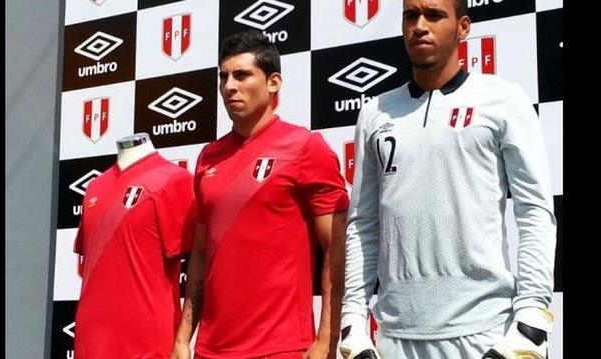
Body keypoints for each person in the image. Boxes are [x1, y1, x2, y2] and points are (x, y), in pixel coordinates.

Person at [339, 0, 557, 358]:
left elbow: (534, 212)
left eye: (435, 15)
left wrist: (532, 318)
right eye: (411, 16)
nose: (420, 26)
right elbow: (363, 224)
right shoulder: (375, 112)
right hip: (395, 337)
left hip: (484, 331)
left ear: (463, 27)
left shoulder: (503, 100)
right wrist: (352, 320)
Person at [172, 30, 349, 359]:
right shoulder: (208, 157)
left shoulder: (306, 148)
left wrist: (327, 338)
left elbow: (337, 251)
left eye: (241, 75)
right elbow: (198, 256)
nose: (229, 86)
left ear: (273, 82)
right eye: (223, 77)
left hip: (279, 348)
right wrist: (183, 338)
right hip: (210, 351)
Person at [73, 133, 196, 358]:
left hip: (147, 342)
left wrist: (183, 338)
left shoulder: (175, 179)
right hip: (90, 340)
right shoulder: (94, 187)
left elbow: (200, 263)